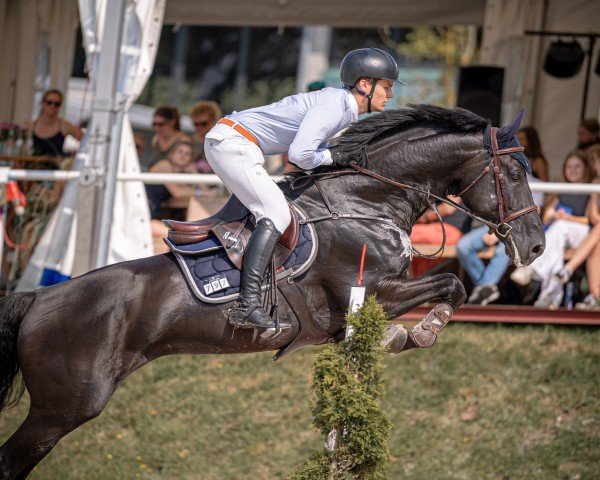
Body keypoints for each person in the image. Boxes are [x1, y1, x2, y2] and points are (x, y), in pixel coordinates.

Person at [204, 47, 403, 329]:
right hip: (233, 144)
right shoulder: (335, 106)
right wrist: (335, 156)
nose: (390, 95)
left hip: (236, 143)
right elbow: (299, 155)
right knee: (276, 213)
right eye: (387, 86)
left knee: (275, 210)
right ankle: (247, 306)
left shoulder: (342, 108)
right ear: (364, 85)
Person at [511, 150, 594, 308]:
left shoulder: (591, 188)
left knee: (560, 229)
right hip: (562, 234)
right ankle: (548, 298)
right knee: (555, 246)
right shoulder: (562, 188)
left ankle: (532, 269)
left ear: (585, 168)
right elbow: (547, 217)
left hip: (585, 235)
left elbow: (590, 220)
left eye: (577, 166)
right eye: (569, 167)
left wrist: (567, 218)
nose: (573, 170)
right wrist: (552, 214)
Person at [458, 179, 545, 305]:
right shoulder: (497, 176)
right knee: (463, 246)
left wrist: (498, 232)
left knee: (505, 250)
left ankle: (483, 289)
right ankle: (486, 287)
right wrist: (494, 228)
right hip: (491, 224)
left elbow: (531, 217)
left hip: (518, 229)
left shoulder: (537, 184)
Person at [544, 145, 600, 310]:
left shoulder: (592, 184)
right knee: (596, 245)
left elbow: (592, 219)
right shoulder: (595, 184)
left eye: (595, 161)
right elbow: (594, 217)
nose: (594, 166)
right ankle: (595, 296)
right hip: (594, 234)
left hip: (590, 232)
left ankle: (568, 269)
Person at [409, 197, 470, 277]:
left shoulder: (454, 188)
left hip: (451, 232)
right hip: (440, 230)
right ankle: (414, 282)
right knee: (417, 255)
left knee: (406, 233)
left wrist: (424, 217)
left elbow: (448, 208)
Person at [28, 89, 82, 167]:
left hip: (55, 171)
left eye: (57, 104)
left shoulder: (65, 125)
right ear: (42, 103)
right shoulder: (31, 125)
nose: (52, 106)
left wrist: (73, 159)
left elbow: (85, 141)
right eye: (49, 103)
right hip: (33, 168)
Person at [188, 101, 222, 173]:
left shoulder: (219, 141)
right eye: (196, 124)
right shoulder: (187, 140)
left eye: (204, 123)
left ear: (213, 120)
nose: (199, 127)